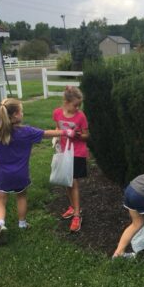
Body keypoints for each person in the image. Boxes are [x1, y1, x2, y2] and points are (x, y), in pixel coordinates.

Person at [0, 98, 75, 247]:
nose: (22, 113)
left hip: (4, 175)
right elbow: (46, 133)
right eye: (21, 111)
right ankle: (22, 224)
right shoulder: (27, 131)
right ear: (16, 115)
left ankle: (1, 224)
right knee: (21, 196)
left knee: (0, 200)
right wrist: (65, 132)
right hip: (21, 174)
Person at [53, 86, 89, 232]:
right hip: (64, 152)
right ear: (66, 102)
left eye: (79, 105)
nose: (78, 108)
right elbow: (57, 128)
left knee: (73, 182)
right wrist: (56, 136)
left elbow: (87, 135)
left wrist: (78, 135)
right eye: (75, 105)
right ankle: (72, 206)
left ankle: (76, 214)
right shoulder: (57, 113)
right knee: (66, 181)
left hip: (77, 153)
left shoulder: (81, 116)